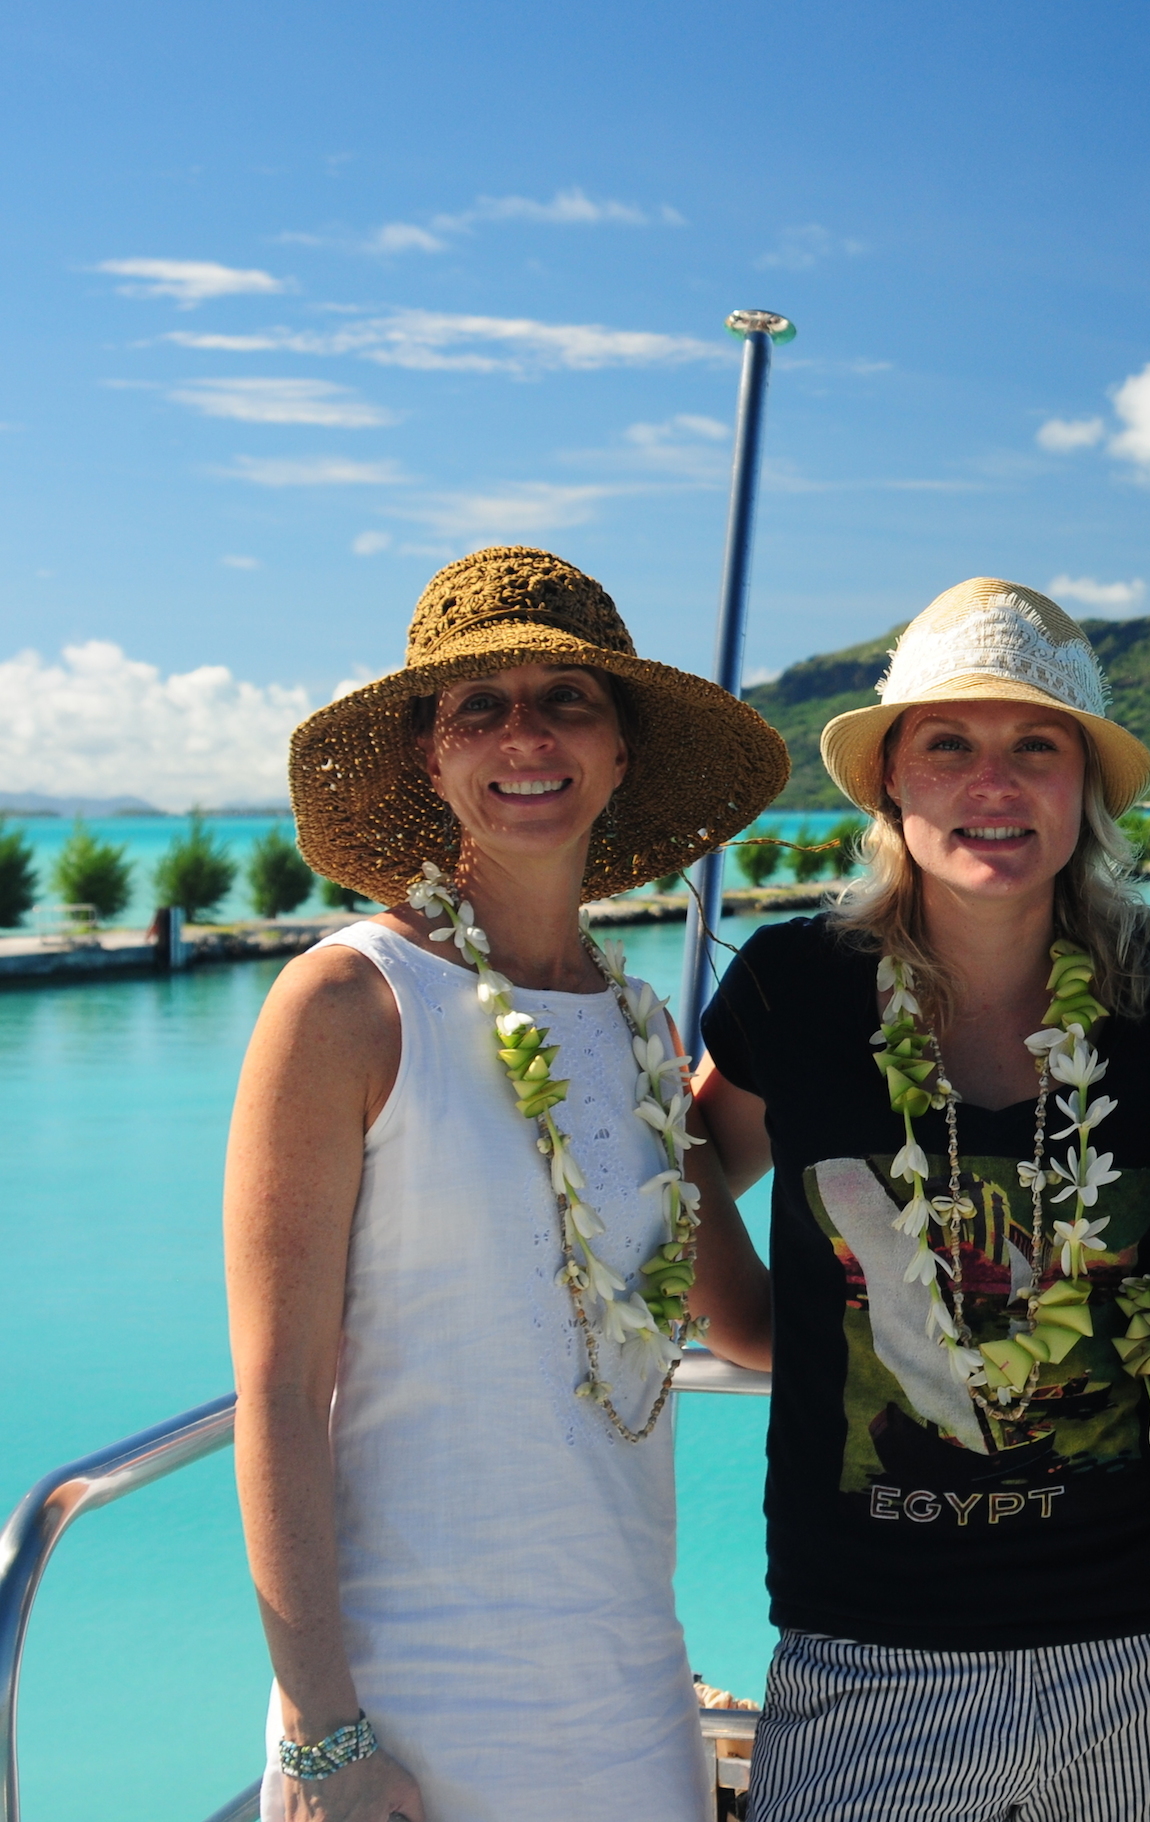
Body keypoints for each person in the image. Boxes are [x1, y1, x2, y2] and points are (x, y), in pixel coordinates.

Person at [227, 547, 784, 1822]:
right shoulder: (348, 1003)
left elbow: (745, 1318)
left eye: (566, 698)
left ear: (621, 749)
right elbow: (277, 1393)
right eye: (479, 704)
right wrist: (322, 1732)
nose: (524, 735)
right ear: (431, 756)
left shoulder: (640, 1029)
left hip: (632, 1695)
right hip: (407, 1706)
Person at [691, 578, 1150, 1821]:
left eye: (1035, 746)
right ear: (892, 780)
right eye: (947, 743)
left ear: (1082, 786)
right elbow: (677, 1171)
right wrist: (764, 1326)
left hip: (1140, 1637)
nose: (991, 782)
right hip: (864, 1644)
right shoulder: (797, 987)